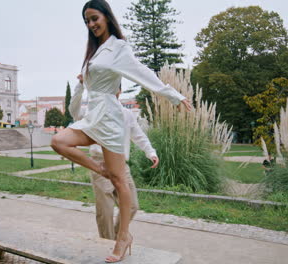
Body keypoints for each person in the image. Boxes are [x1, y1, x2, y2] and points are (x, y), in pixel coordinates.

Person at [50, 0, 191, 262]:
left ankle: (123, 236)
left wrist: (173, 95)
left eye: (94, 18)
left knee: (120, 182)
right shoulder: (94, 51)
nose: (91, 24)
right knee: (59, 141)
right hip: (93, 117)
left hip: (111, 120)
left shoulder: (118, 47)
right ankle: (101, 169)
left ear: (106, 17)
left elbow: (142, 72)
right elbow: (80, 98)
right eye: (87, 21)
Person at [69, 80, 159, 241]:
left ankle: (118, 239)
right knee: (106, 211)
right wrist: (80, 86)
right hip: (100, 164)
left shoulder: (127, 114)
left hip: (121, 165)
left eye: (114, 88)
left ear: (119, 91)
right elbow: (73, 110)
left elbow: (138, 135)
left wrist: (150, 151)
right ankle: (106, 243)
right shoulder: (92, 111)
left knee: (132, 206)